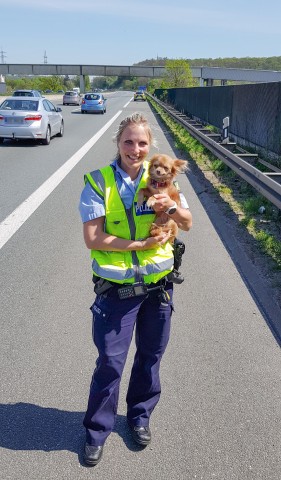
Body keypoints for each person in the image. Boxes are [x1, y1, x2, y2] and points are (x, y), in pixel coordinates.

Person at [79, 112, 192, 466]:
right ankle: (97, 431)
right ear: (118, 143)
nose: (136, 149)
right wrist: (138, 247)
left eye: (142, 142)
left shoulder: (163, 174)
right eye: (128, 141)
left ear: (150, 146)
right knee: (110, 362)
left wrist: (171, 207)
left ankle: (139, 417)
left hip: (158, 287)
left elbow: (187, 223)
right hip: (116, 291)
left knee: (150, 357)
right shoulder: (99, 182)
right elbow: (93, 238)